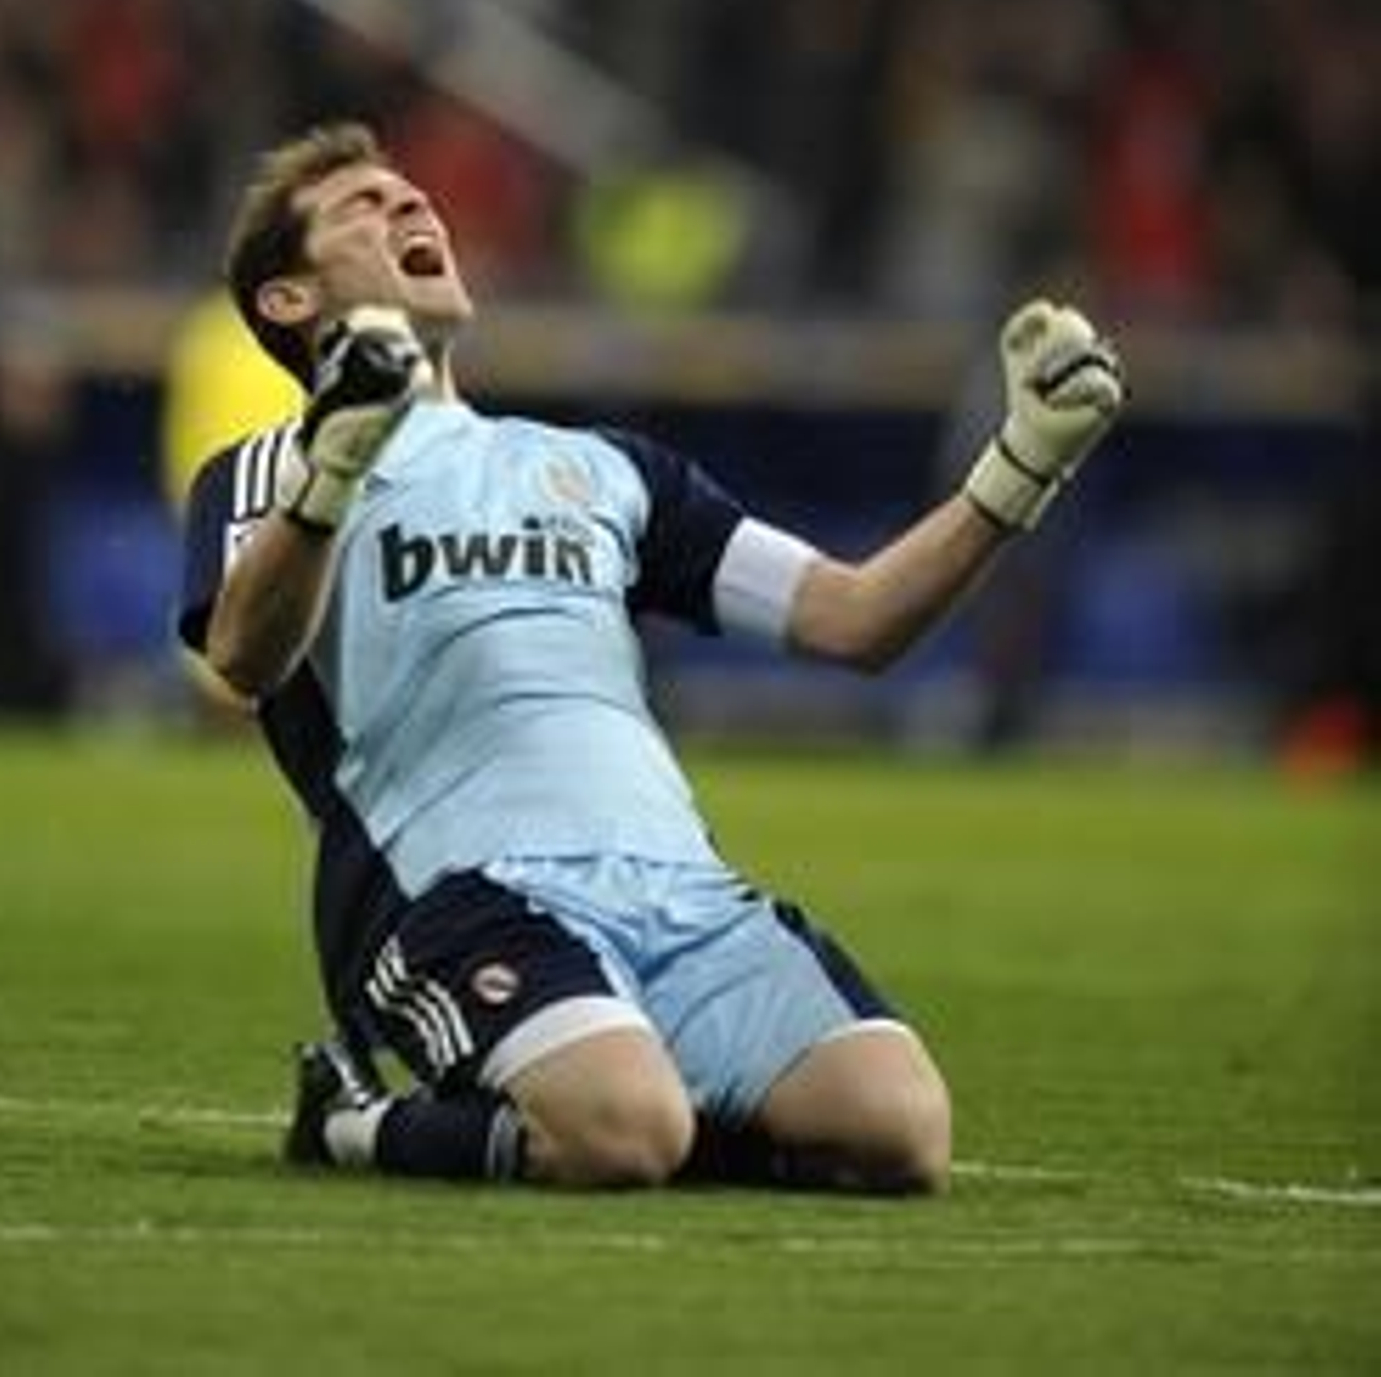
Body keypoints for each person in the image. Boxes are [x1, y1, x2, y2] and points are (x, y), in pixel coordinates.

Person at [179, 121, 1126, 1193]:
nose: (409, 207)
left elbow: (854, 618)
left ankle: (641, 1096)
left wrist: (1019, 467)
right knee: (617, 1133)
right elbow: (243, 657)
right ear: (289, 300)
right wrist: (335, 467)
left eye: (410, 196)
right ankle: (351, 1121)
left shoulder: (603, 469)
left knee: (897, 1131)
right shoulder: (269, 470)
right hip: (454, 897)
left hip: (677, 889)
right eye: (362, 206)